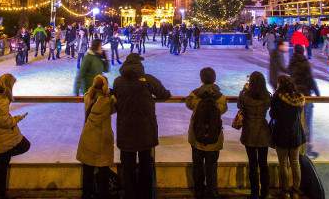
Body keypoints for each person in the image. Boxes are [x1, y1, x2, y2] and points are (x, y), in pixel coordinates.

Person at [113, 53, 171, 199]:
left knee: (128, 167)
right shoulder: (148, 80)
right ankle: (146, 195)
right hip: (145, 130)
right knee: (146, 166)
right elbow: (164, 94)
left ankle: (130, 195)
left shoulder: (118, 81)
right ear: (140, 65)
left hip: (125, 130)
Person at [185, 67, 227, 199]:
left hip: (197, 137)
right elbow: (223, 109)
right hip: (214, 138)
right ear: (214, 79)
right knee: (211, 166)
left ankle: (198, 191)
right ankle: (212, 192)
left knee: (197, 166)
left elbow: (189, 104)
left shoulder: (195, 94)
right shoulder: (220, 97)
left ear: (201, 79)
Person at [77, 75, 116, 199]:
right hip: (103, 139)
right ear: (105, 87)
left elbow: (88, 92)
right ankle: (103, 194)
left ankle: (87, 194)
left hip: (88, 136)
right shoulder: (108, 101)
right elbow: (116, 105)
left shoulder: (88, 97)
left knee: (88, 169)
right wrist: (109, 92)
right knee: (103, 169)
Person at [270, 75, 306, 199]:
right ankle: (295, 190)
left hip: (282, 134)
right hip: (296, 134)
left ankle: (285, 191)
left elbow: (273, 114)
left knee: (283, 163)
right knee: (295, 162)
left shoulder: (278, 98)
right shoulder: (299, 98)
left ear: (280, 84)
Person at [237, 72, 272, 199]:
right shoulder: (267, 97)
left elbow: (239, 105)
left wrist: (243, 90)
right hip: (263, 132)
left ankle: (254, 193)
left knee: (253, 164)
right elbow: (270, 108)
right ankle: (265, 192)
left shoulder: (245, 96)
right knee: (263, 164)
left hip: (249, 132)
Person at [288, 45, 320, 159]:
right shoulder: (305, 63)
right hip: (305, 95)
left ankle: (295, 147)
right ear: (303, 51)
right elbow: (310, 79)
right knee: (306, 122)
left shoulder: (291, 62)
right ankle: (305, 150)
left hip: (294, 96)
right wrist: (317, 94)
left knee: (296, 121)